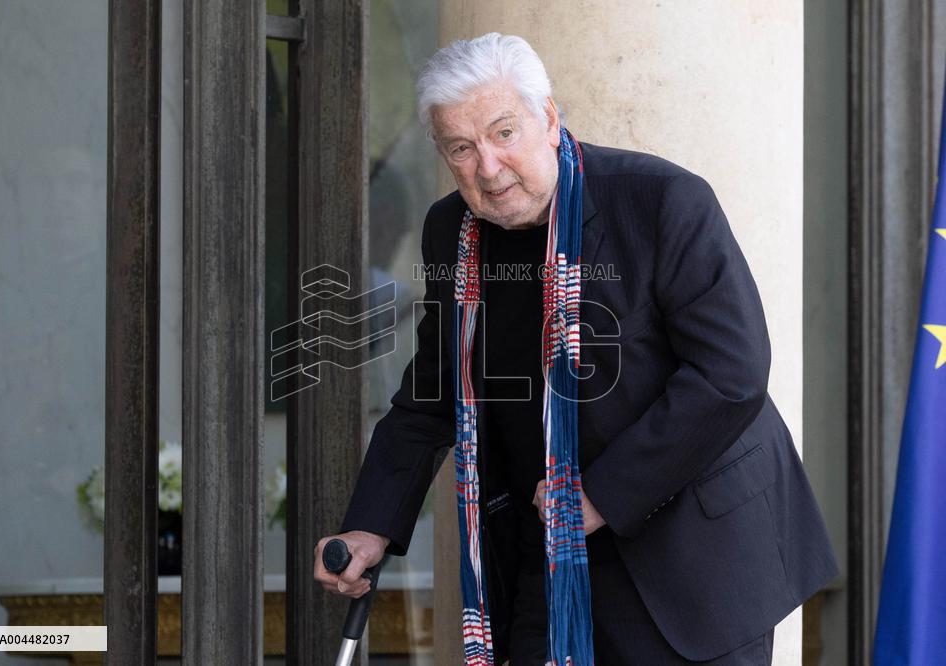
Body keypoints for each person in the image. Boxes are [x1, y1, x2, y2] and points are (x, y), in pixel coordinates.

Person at [313, 32, 838, 665]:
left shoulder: (661, 200)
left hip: (693, 557)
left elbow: (730, 373)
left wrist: (599, 496)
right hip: (545, 556)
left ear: (549, 118)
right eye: (461, 148)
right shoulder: (451, 230)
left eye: (504, 133)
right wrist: (373, 524)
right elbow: (435, 390)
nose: (488, 167)